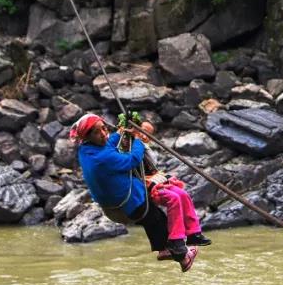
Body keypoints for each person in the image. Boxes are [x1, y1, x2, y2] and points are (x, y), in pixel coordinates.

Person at [71, 113, 198, 271]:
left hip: (113, 207)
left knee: (152, 220)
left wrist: (120, 132)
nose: (103, 134)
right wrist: (137, 140)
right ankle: (182, 256)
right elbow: (133, 160)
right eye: (97, 132)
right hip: (126, 206)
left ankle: (165, 250)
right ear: (89, 137)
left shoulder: (86, 150)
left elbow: (108, 144)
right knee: (157, 218)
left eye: (104, 128)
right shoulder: (103, 158)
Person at [137, 121, 209, 271]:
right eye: (142, 132)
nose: (144, 136)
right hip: (146, 185)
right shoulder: (132, 147)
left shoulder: (145, 148)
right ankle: (176, 241)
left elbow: (152, 163)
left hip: (155, 180)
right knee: (174, 199)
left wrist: (143, 145)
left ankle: (193, 233)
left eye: (148, 134)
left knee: (183, 194)